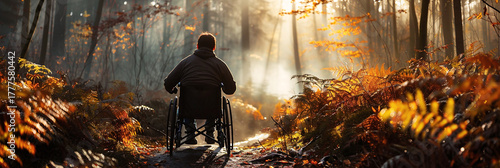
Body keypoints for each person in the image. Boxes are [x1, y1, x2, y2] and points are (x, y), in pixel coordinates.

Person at [164, 32, 236, 144]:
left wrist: (172, 90)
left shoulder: (185, 63)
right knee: (213, 100)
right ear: (214, 47)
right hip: (212, 108)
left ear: (197, 46)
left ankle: (190, 132)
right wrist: (225, 89)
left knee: (186, 100)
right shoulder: (220, 64)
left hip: (188, 108)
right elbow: (231, 89)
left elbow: (168, 83)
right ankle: (210, 132)